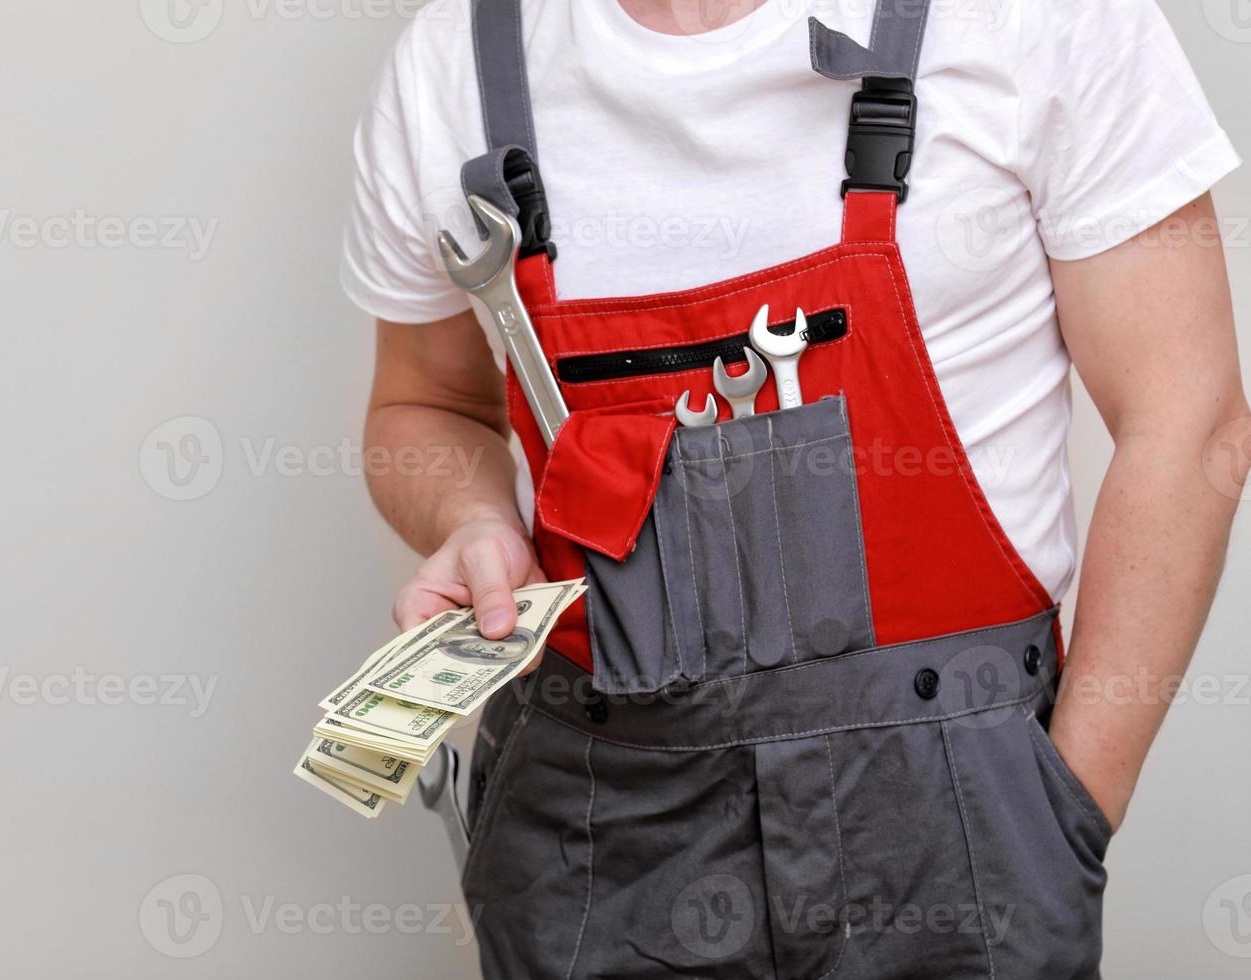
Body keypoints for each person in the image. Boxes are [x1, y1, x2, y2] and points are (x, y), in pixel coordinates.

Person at [341, 0, 1247, 976]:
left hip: (957, 815)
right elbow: (422, 407)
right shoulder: (454, 69)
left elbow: (1190, 423)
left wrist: (1063, 815)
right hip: (595, 827)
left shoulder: (1038, 20)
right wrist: (474, 518)